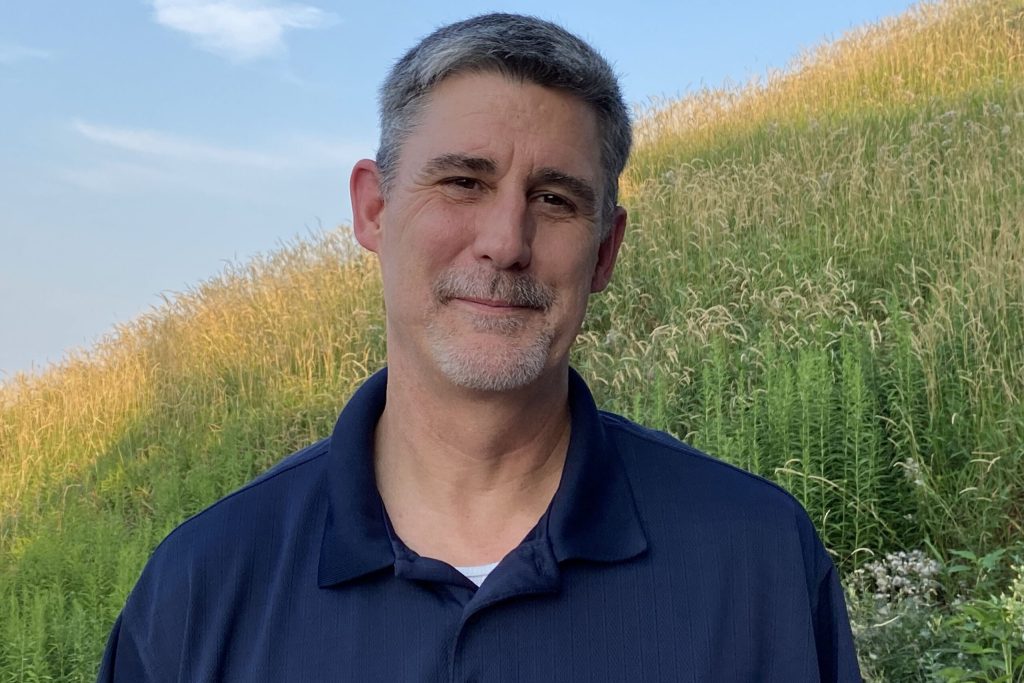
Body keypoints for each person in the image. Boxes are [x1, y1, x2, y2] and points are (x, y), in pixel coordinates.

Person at [98, 13, 861, 682]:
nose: (505, 242)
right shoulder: (202, 587)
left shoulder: (757, 562)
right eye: (463, 182)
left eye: (554, 199)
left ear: (605, 251)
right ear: (373, 209)